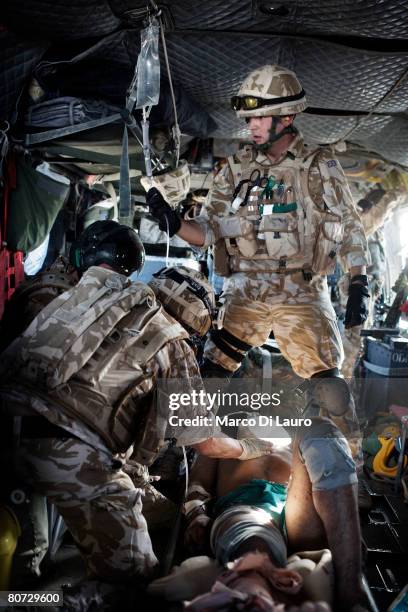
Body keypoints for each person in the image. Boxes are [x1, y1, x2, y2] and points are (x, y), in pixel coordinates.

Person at [0, 220, 274, 584]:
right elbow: (205, 441)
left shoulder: (88, 291)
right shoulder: (172, 342)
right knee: (134, 576)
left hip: (8, 426)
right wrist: (251, 447)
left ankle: (22, 601)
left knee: (25, 557)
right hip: (69, 452)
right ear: (196, 326)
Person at [146, 64, 370, 450]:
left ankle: (352, 469)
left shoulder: (320, 166)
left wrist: (359, 282)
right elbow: (207, 229)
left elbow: (350, 226)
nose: (250, 124)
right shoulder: (235, 170)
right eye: (248, 117)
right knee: (209, 377)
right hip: (245, 291)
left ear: (288, 116)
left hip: (300, 294)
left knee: (332, 391)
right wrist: (173, 223)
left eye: (259, 116)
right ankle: (186, 458)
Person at [181, 417, 365, 611]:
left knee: (320, 429)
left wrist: (348, 529)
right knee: (252, 529)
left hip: (294, 509)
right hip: (243, 504)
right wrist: (197, 514)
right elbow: (197, 484)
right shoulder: (221, 439)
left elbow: (333, 484)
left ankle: (351, 595)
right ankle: (255, 593)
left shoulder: (294, 441)